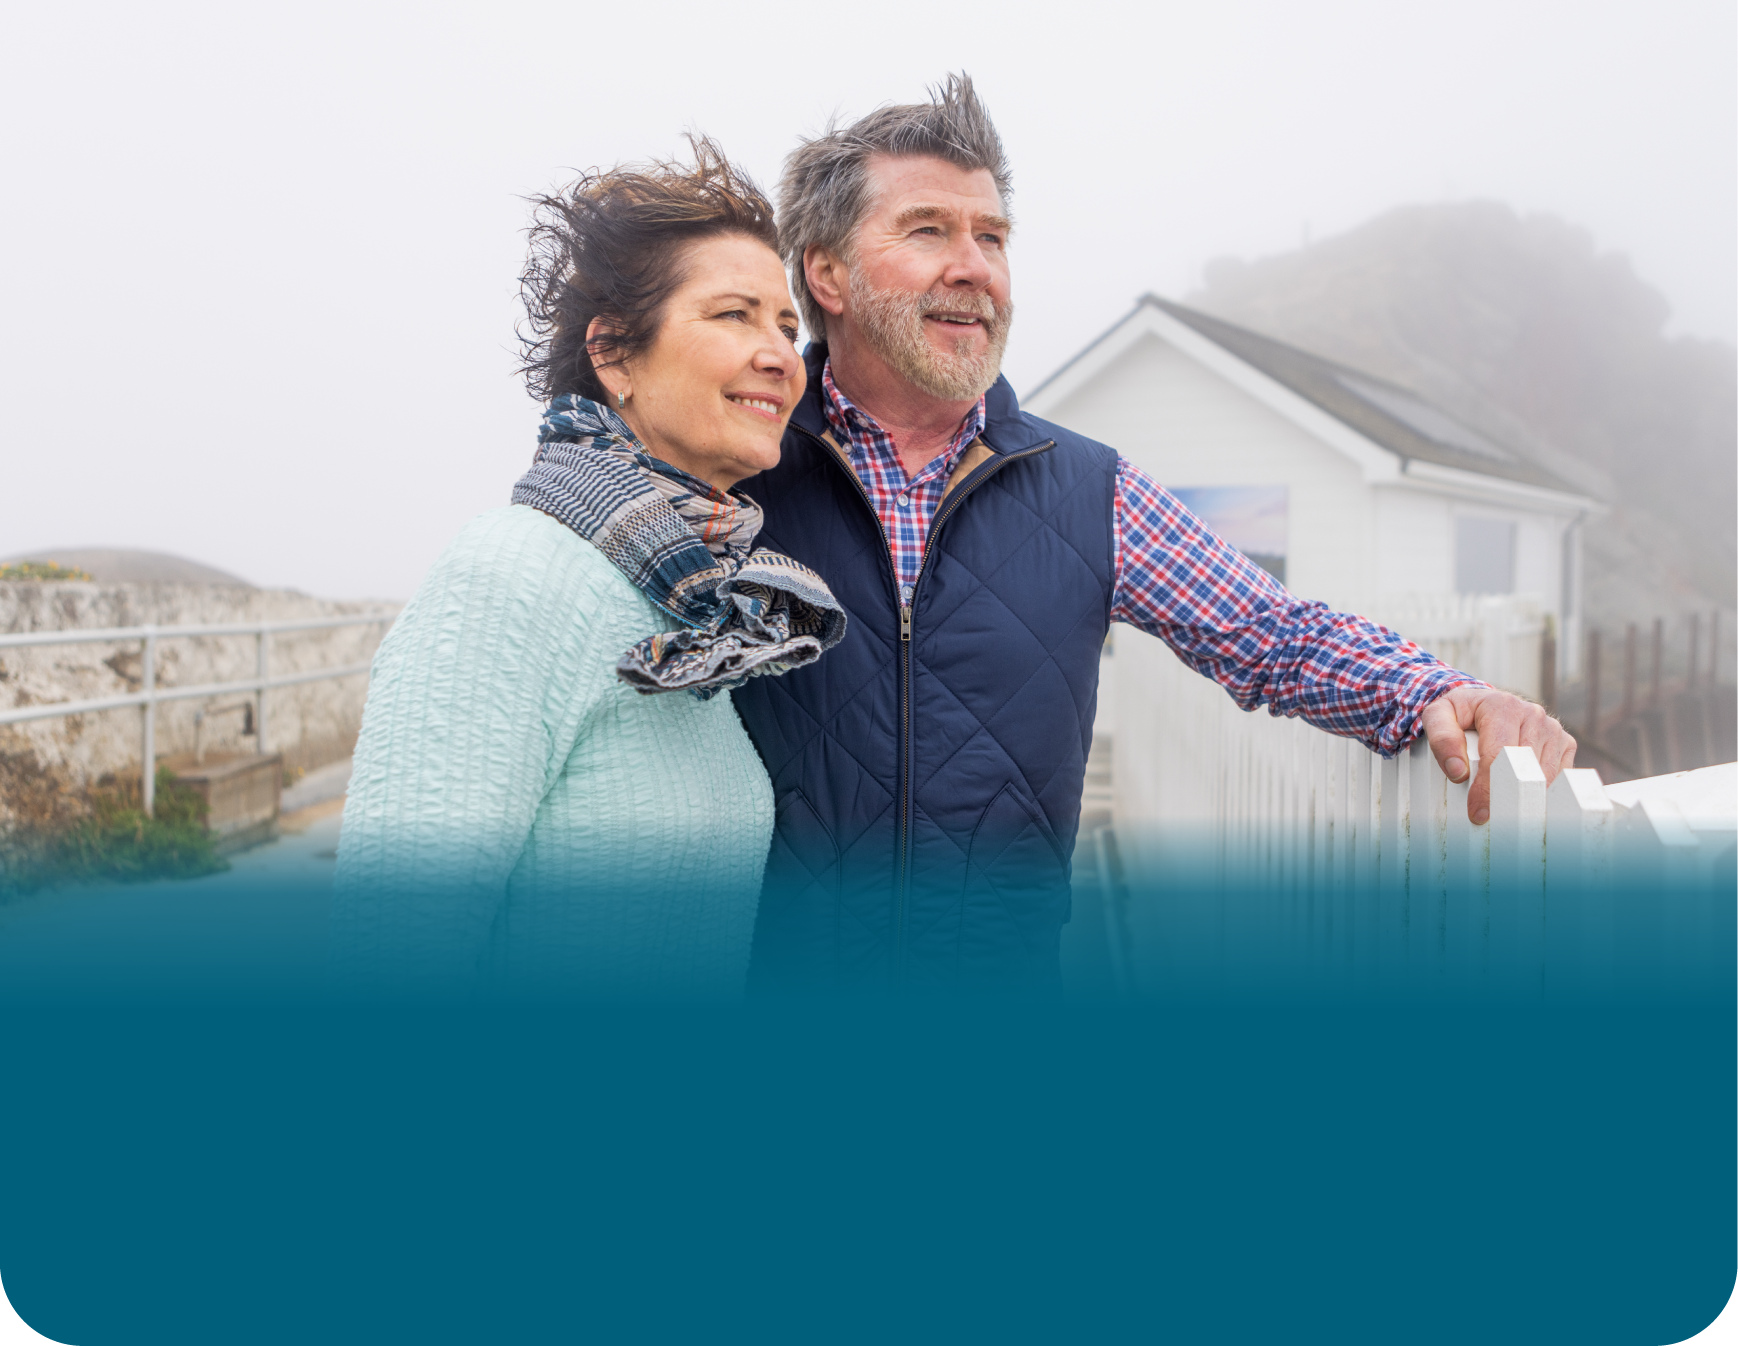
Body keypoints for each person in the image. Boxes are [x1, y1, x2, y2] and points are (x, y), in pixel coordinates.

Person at [730, 75, 1577, 996]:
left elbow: (1276, 637)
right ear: (825, 273)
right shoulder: (735, 465)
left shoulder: (1090, 491)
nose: (974, 266)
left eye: (994, 236)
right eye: (928, 229)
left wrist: (1440, 690)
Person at [331, 141, 843, 997]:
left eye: (788, 327)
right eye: (733, 316)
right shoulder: (511, 576)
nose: (782, 356)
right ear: (614, 355)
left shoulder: (700, 604)